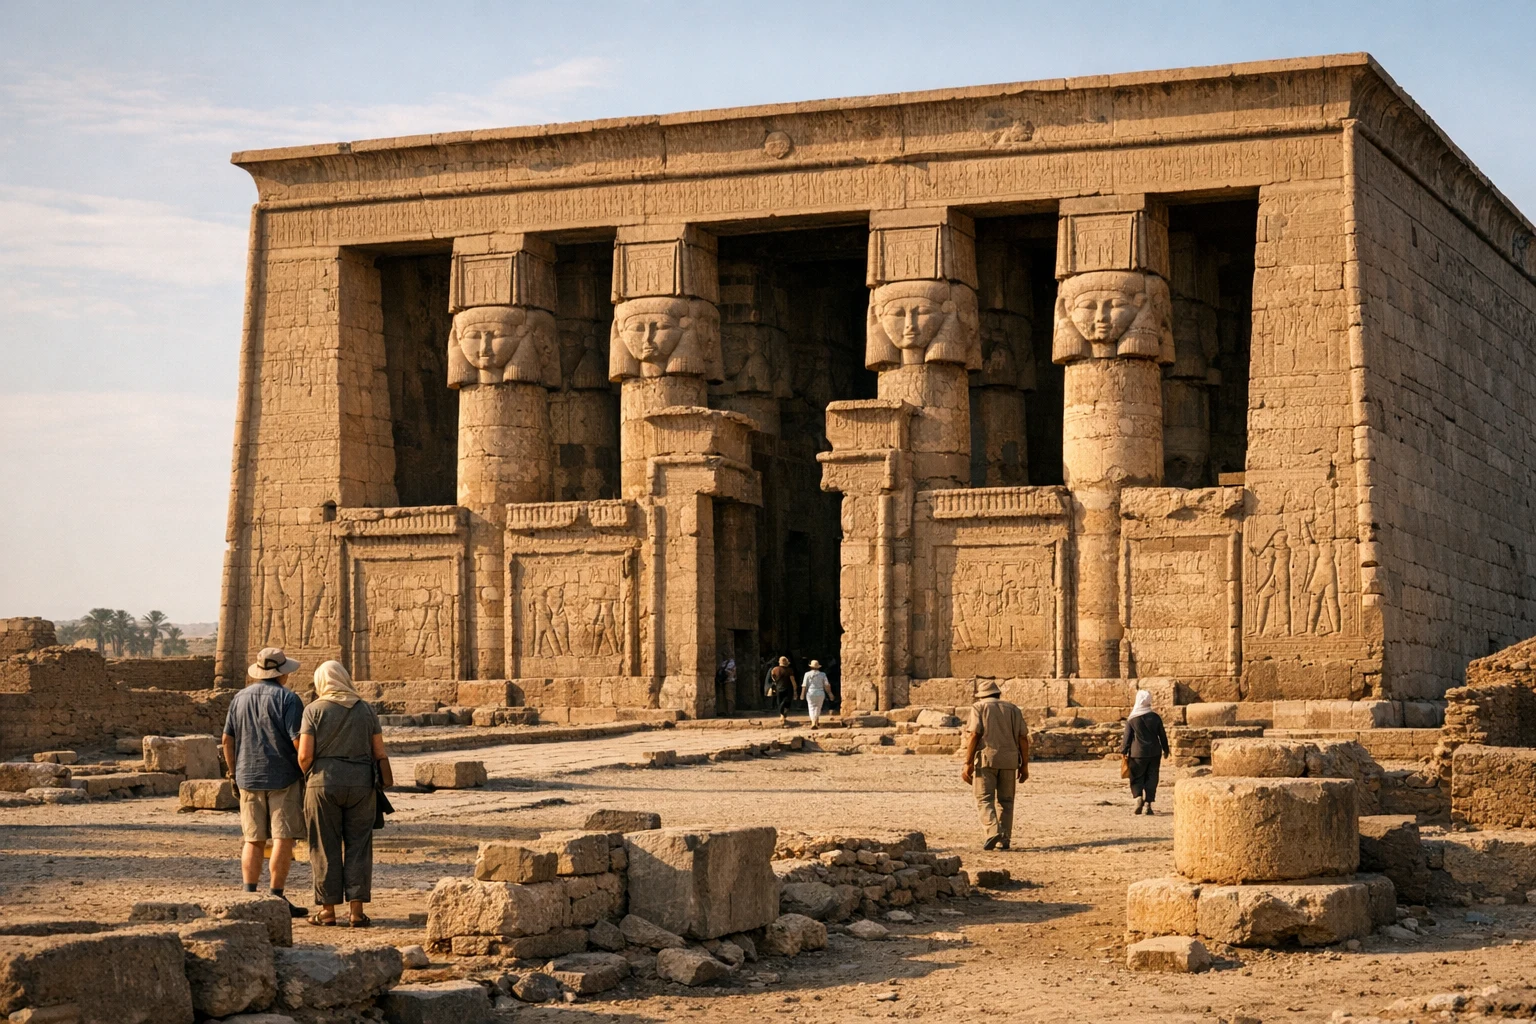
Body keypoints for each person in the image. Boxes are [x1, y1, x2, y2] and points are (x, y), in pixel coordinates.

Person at [297, 661, 392, 927]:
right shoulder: (366, 710)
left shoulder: (313, 710)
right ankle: (356, 912)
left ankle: (327, 911)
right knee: (359, 846)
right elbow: (379, 752)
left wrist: (311, 776)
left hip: (323, 783)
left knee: (324, 846)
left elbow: (304, 755)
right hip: (362, 784)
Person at [222, 647, 308, 918]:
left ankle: (249, 895)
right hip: (283, 775)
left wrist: (233, 771)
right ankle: (276, 896)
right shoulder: (289, 699)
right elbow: (297, 740)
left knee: (253, 838)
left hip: (247, 775)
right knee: (283, 837)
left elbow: (227, 740)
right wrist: (306, 767)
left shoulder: (239, 698)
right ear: (282, 674)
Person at [959, 680, 1029, 850]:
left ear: (982, 696)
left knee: (984, 798)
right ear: (998, 694)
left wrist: (967, 762)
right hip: (1010, 760)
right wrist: (1024, 765)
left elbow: (975, 734)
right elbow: (1023, 738)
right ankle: (1004, 839)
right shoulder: (1013, 709)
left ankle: (992, 832)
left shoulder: (979, 707)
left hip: (986, 759)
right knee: (1006, 801)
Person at [1120, 689, 1170, 815]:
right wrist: (1166, 749)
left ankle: (1138, 797)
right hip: (1154, 752)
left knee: (1136, 777)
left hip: (1137, 753)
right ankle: (1148, 803)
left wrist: (1124, 750)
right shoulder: (1155, 717)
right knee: (1152, 777)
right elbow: (1162, 735)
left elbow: (1127, 737)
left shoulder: (1132, 719)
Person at [800, 660, 834, 728]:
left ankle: (813, 722)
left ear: (811, 667)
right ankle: (816, 720)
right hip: (820, 692)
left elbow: (804, 685)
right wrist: (830, 694)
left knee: (811, 707)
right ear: (818, 667)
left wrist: (802, 694)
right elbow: (826, 685)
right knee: (818, 707)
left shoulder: (807, 674)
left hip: (810, 693)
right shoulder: (823, 674)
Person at [765, 656, 796, 722]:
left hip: (778, 688)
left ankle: (781, 714)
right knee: (787, 702)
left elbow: (773, 678)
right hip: (788, 688)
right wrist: (795, 689)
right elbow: (792, 680)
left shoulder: (775, 669)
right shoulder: (789, 670)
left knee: (779, 702)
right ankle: (783, 714)